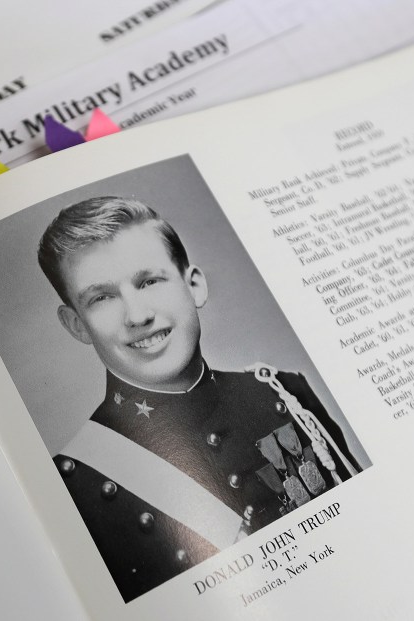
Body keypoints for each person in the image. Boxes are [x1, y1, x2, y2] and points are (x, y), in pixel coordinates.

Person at [37, 195, 361, 602]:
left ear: (194, 286)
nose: (137, 316)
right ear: (76, 324)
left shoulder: (284, 393)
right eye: (102, 298)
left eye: (149, 281)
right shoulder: (72, 485)